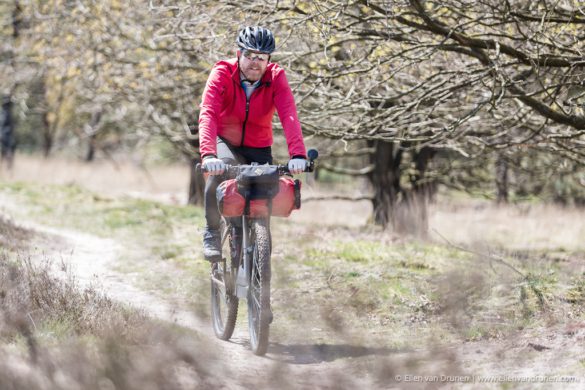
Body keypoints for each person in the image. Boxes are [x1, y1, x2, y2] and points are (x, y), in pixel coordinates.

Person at [198, 26, 307, 261]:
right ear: (239, 54)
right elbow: (208, 113)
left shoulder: (276, 77)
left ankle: (259, 258)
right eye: (249, 55)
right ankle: (212, 232)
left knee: (262, 199)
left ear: (269, 60)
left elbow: (289, 115)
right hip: (225, 141)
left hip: (258, 145)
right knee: (220, 170)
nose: (254, 62)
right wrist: (208, 155)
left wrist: (298, 154)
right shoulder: (222, 73)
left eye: (261, 57)